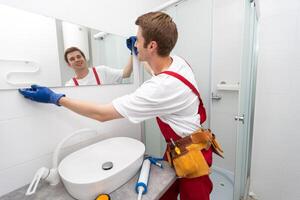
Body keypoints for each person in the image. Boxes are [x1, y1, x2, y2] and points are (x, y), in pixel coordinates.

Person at [19, 11, 213, 200]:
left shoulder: (160, 87)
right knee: (165, 193)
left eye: (138, 39)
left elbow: (102, 114)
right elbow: (158, 73)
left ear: (152, 46)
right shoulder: (178, 63)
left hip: (192, 156)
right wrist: (138, 54)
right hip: (184, 148)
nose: (136, 42)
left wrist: (56, 98)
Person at [64, 46, 133, 86]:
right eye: (72, 59)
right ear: (69, 64)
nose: (77, 60)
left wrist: (133, 51)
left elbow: (126, 73)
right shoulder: (70, 85)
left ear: (84, 58)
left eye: (79, 56)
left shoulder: (102, 71)